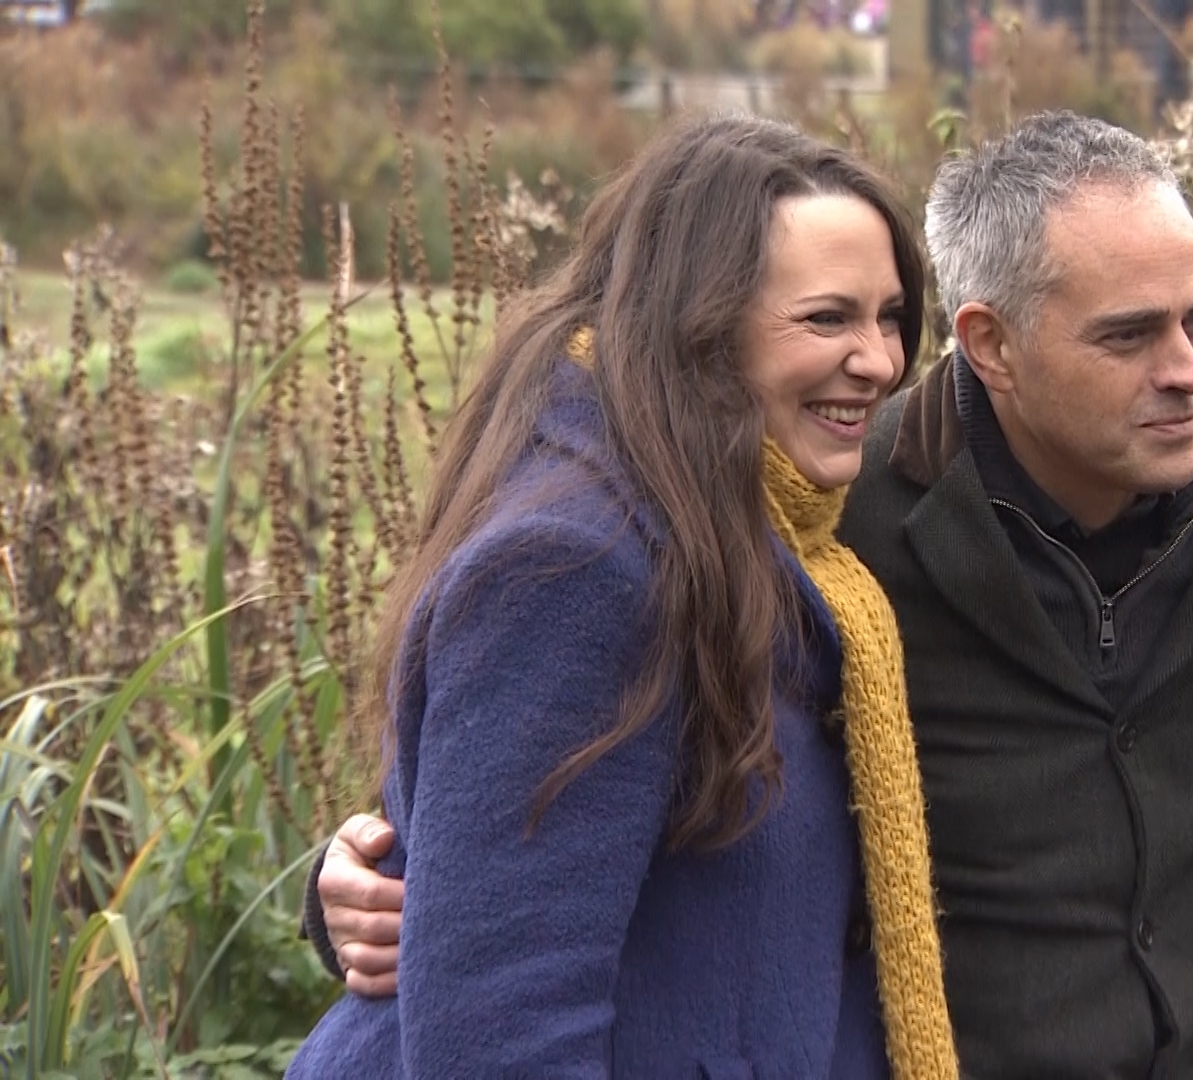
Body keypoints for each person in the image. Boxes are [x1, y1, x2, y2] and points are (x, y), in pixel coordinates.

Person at [303, 111, 1193, 1076]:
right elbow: (510, 881)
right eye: (1129, 334)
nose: (1187, 371)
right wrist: (360, 881)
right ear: (989, 343)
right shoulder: (788, 521)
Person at [286, 114, 958, 1078]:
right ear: (699, 325)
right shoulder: (573, 568)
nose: (881, 359)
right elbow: (502, 1037)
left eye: (890, 316)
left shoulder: (782, 531)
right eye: (827, 318)